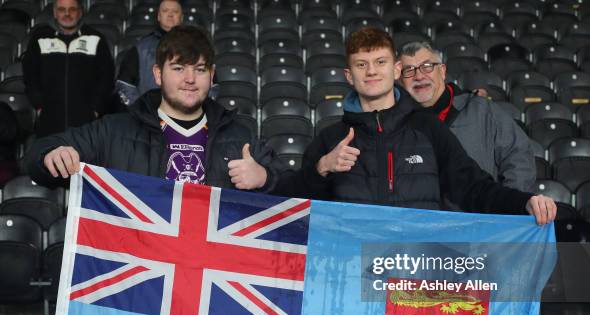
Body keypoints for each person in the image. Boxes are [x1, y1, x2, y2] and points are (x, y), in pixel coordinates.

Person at [274, 27, 556, 225]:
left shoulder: (429, 129)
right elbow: (293, 214)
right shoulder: (331, 140)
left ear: (395, 70)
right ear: (349, 76)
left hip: (417, 278)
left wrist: (524, 202)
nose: (371, 71)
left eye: (380, 62)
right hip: (351, 280)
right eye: (362, 65)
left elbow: (473, 187)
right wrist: (322, 169)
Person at [26, 25, 275, 193]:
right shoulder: (115, 130)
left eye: (199, 70)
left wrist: (264, 178)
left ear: (211, 76)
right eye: (178, 68)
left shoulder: (240, 137)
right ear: (158, 74)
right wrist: (50, 155)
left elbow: (291, 190)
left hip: (207, 269)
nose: (190, 79)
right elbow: (37, 155)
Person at [398, 42, 536, 194]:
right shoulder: (396, 123)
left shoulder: (482, 111)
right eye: (409, 70)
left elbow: (518, 156)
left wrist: (507, 207)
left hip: (478, 215)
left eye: (427, 66)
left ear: (442, 71)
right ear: (400, 80)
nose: (419, 76)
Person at [22, 0, 115, 138]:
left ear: (80, 12)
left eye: (72, 9)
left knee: (83, 159)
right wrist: (39, 104)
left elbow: (106, 77)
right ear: (54, 12)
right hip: (49, 122)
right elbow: (30, 75)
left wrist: (96, 109)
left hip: (86, 123)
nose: (67, 14)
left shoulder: (95, 38)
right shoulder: (40, 38)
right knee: (51, 158)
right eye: (61, 9)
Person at [116, 0, 183, 106]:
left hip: (186, 116)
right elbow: (124, 83)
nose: (170, 15)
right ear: (158, 17)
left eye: (175, 11)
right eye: (165, 11)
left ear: (182, 17)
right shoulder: (141, 48)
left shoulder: (195, 46)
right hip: (148, 116)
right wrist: (141, 110)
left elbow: (211, 83)